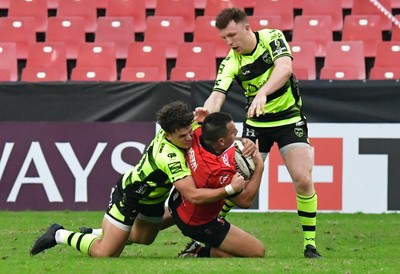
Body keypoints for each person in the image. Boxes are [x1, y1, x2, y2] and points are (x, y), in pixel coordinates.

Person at [30, 101, 247, 258]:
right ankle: (58, 233)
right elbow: (193, 195)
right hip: (130, 196)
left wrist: (233, 138)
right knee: (106, 253)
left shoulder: (180, 128)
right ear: (168, 135)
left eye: (190, 132)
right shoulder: (167, 156)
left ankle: (97, 232)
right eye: (183, 136)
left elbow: (209, 131)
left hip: (152, 200)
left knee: (144, 238)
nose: (189, 138)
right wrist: (230, 189)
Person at [195, 8, 322, 258]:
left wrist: (262, 92)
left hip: (289, 120)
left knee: (303, 179)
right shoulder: (231, 61)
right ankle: (203, 235)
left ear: (247, 28)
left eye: (232, 35)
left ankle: (310, 245)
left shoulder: (272, 38)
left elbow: (285, 67)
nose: (230, 43)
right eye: (224, 38)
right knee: (238, 186)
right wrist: (205, 113)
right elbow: (217, 96)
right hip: (256, 126)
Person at [169, 112, 265, 258]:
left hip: (177, 201)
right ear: (220, 141)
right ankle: (197, 252)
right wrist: (259, 166)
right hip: (199, 223)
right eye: (234, 133)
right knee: (257, 251)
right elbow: (245, 201)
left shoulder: (196, 133)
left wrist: (242, 141)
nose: (237, 134)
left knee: (150, 225)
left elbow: (226, 143)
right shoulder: (218, 171)